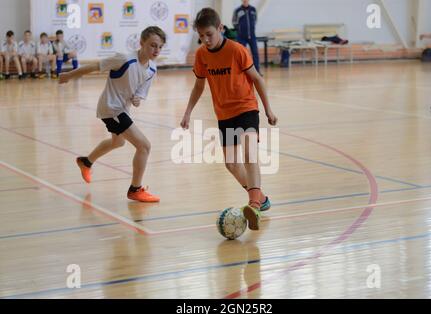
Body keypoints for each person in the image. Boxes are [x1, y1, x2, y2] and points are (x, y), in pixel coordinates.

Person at [181, 8, 278, 231]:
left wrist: (268, 110)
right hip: (224, 114)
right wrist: (187, 112)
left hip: (246, 108)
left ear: (221, 29)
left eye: (209, 34)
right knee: (232, 164)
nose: (205, 40)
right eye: (201, 36)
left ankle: (253, 205)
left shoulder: (237, 50)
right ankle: (261, 198)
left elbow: (257, 79)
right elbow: (198, 85)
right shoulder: (202, 55)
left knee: (248, 153)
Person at [59, 26, 166, 203]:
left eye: (160, 47)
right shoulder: (124, 59)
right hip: (111, 108)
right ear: (141, 43)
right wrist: (69, 75)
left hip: (121, 109)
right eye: (153, 45)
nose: (156, 50)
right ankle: (135, 189)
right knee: (144, 146)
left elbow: (140, 93)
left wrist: (137, 99)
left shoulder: (152, 69)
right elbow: (95, 66)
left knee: (118, 141)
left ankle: (86, 162)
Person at [232, 0, 260, 74]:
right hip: (241, 36)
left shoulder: (253, 9)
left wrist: (251, 28)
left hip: (252, 35)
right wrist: (240, 29)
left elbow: (255, 20)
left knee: (255, 53)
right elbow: (234, 22)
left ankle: (257, 71)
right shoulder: (237, 10)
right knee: (241, 54)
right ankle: (242, 71)